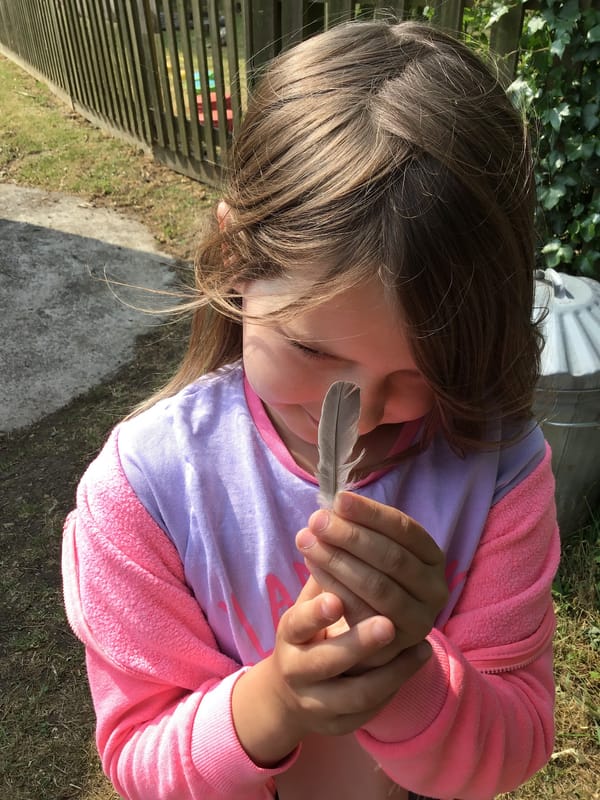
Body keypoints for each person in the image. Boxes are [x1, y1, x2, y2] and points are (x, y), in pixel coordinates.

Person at [62, 19, 560, 800]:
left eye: (422, 371)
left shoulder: (499, 474)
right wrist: (276, 700)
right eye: (315, 352)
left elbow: (517, 740)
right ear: (234, 260)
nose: (360, 419)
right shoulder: (144, 492)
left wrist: (412, 680)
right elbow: (141, 759)